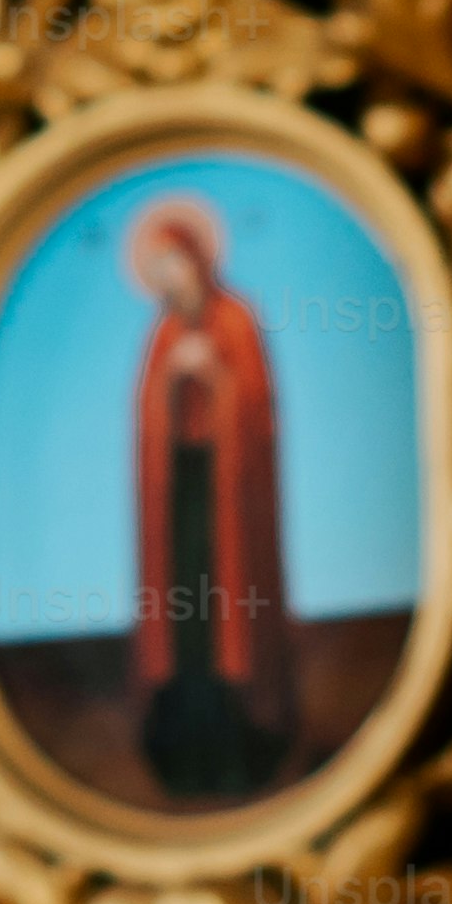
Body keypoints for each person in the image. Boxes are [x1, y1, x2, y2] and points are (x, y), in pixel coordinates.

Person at [122, 190, 295, 803]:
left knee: (231, 615)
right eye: (161, 270)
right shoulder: (163, 334)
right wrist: (175, 379)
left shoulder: (236, 321)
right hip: (180, 500)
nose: (171, 279)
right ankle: (182, 754)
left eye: (178, 265)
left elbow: (256, 409)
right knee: (186, 624)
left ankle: (242, 740)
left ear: (199, 261)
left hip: (230, 502)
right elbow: (146, 424)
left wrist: (215, 377)